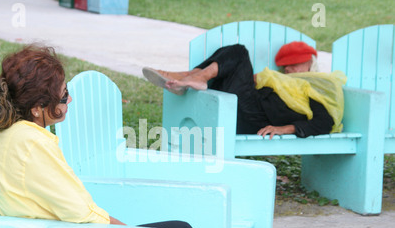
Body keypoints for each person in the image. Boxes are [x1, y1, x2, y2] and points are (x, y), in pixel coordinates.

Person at [0, 44, 223, 228]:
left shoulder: (10, 137)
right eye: (63, 96)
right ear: (37, 107)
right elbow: (80, 212)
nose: (69, 99)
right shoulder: (31, 143)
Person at [143, 42, 346, 139]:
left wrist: (284, 129)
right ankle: (191, 76)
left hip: (256, 119)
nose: (288, 70)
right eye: (285, 66)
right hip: (239, 104)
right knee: (229, 52)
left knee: (240, 52)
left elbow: (324, 122)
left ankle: (193, 77)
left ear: (311, 62)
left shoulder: (318, 87)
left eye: (294, 65)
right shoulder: (283, 82)